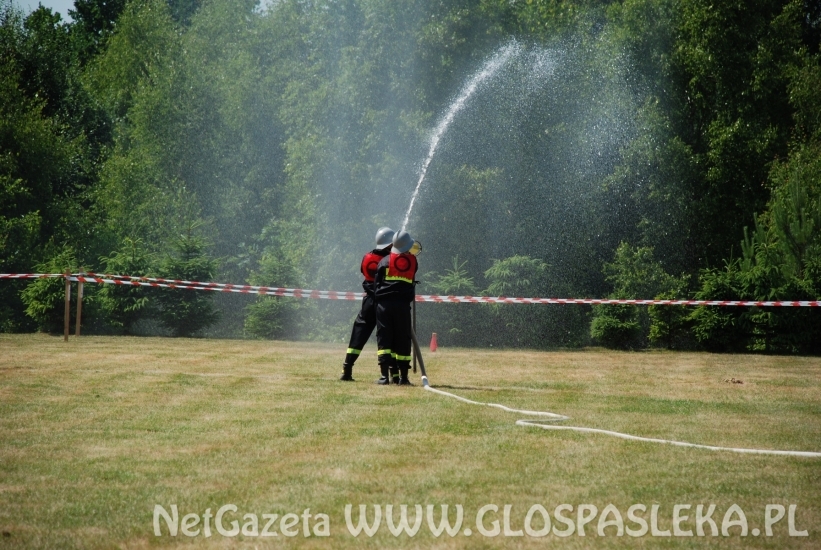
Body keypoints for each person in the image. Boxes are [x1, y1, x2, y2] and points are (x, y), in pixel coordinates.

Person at [340, 227, 395, 381]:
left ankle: (347, 368)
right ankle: (390, 374)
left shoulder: (367, 257)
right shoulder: (389, 261)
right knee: (386, 336)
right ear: (389, 245)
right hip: (384, 301)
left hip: (368, 301)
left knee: (359, 333)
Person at [374, 230, 421, 385]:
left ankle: (384, 376)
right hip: (402, 306)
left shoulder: (384, 261)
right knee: (403, 339)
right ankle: (404, 377)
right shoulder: (413, 262)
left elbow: (377, 284)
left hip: (384, 306)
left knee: (384, 339)